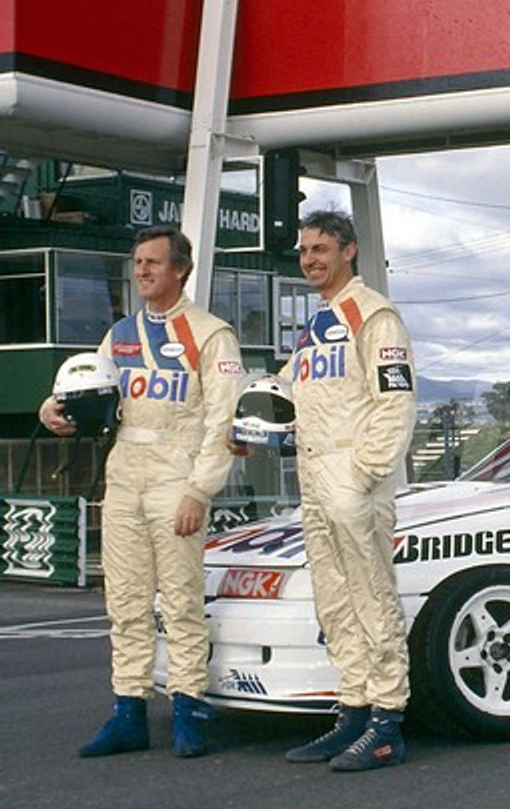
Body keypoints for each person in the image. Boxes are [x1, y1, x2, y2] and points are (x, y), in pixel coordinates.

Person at [39, 225, 243, 758]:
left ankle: (188, 709)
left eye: (153, 262)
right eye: (137, 263)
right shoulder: (121, 332)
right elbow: (85, 386)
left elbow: (224, 419)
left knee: (179, 599)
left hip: (179, 472)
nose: (143, 271)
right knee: (125, 600)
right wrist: (52, 410)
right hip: (125, 469)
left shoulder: (212, 333)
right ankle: (128, 711)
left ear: (180, 269)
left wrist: (200, 491)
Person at [281, 209, 417, 772]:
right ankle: (354, 712)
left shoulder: (374, 315)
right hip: (313, 474)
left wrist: (362, 476)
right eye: (304, 251)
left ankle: (388, 720)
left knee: (370, 595)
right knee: (334, 600)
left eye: (320, 250)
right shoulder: (317, 323)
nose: (310, 259)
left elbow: (396, 403)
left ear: (349, 251)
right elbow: (287, 395)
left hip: (353, 475)